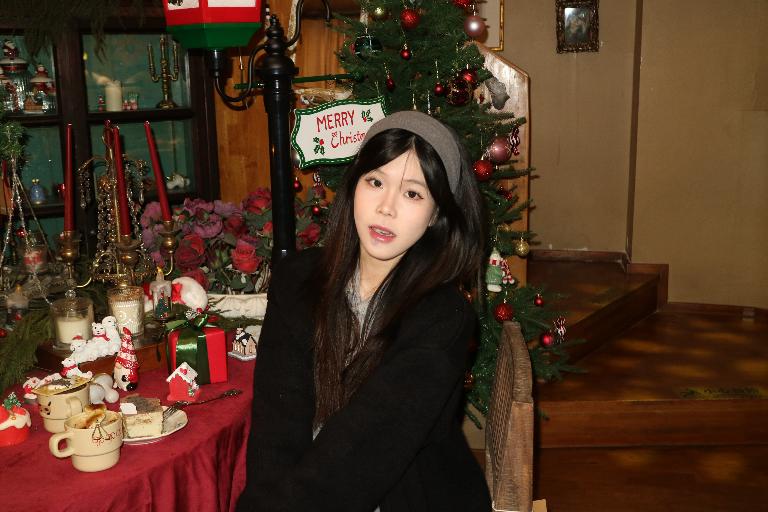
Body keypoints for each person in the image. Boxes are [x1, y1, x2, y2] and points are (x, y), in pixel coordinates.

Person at [236, 111, 491, 511]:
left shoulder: (443, 317)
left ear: (436, 215)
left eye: (413, 194)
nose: (386, 208)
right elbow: (276, 429)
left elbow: (364, 452)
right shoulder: (298, 281)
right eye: (375, 182)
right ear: (354, 184)